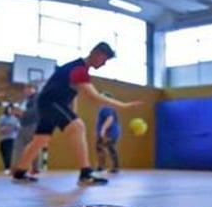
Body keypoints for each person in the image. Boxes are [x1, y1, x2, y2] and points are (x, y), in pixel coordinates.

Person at [11, 42, 142, 186]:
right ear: (96, 53)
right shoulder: (79, 70)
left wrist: (73, 112)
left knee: (40, 139)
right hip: (52, 102)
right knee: (78, 127)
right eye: (104, 60)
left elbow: (74, 93)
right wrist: (123, 106)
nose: (104, 64)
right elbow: (95, 97)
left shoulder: (76, 68)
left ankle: (20, 172)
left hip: (46, 103)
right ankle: (86, 173)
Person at [11, 83, 43, 175]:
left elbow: (35, 111)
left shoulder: (37, 98)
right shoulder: (25, 100)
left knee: (33, 147)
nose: (27, 90)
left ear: (34, 89)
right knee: (19, 146)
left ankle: (35, 168)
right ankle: (18, 167)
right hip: (23, 125)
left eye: (29, 88)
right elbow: (22, 113)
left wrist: (23, 113)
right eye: (25, 88)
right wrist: (17, 114)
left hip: (33, 124)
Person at [96, 93, 121, 173]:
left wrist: (103, 130)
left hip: (109, 133)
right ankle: (102, 166)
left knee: (107, 147)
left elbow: (110, 119)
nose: (99, 97)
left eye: (102, 96)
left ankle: (106, 167)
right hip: (111, 133)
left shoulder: (106, 106)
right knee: (103, 147)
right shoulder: (106, 107)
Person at [0, 104, 21, 174]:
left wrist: (11, 128)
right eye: (9, 109)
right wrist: (5, 129)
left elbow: (18, 128)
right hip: (3, 139)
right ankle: (6, 167)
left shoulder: (15, 119)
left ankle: (8, 168)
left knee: (9, 153)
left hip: (12, 138)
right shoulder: (1, 118)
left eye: (12, 109)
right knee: (3, 152)